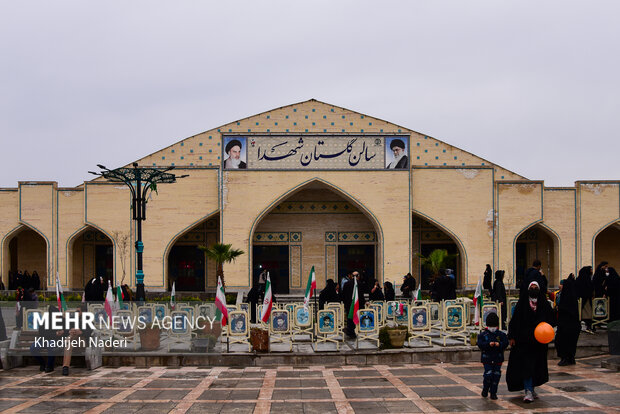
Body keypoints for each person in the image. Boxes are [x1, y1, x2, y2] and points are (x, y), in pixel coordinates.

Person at [506, 281, 555, 403]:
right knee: (526, 365)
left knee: (536, 366)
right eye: (531, 288)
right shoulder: (522, 304)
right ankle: (528, 390)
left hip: (539, 342)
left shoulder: (543, 304)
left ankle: (531, 388)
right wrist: (512, 337)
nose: (533, 290)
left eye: (536, 288)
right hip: (524, 341)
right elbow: (515, 321)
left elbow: (551, 319)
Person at [477, 312, 509, 400]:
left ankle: (493, 392)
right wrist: (488, 344)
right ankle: (485, 389)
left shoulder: (501, 335)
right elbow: (480, 344)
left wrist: (499, 344)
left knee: (496, 375)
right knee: (488, 374)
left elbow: (506, 343)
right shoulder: (483, 335)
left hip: (497, 358)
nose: (492, 328)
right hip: (487, 358)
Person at [59, 305, 93, 375]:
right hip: (73, 342)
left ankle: (64, 343)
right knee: (69, 344)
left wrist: (81, 332)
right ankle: (65, 367)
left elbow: (90, 333)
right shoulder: (73, 320)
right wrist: (70, 331)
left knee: (74, 335)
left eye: (78, 311)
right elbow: (66, 330)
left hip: (83, 342)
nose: (76, 313)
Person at [555, 273, 580, 366]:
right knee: (570, 343)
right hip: (572, 326)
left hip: (566, 326)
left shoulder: (567, 298)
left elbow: (566, 310)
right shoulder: (571, 297)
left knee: (563, 341)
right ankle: (570, 358)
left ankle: (565, 358)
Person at [30, 305, 62, 373]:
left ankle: (50, 366)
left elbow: (61, 334)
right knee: (33, 347)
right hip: (43, 340)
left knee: (51, 345)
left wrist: (59, 334)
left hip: (55, 342)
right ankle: (42, 363)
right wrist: (54, 334)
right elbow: (42, 334)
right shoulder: (45, 321)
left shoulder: (60, 321)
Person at [342, 271, 365, 338]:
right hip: (357, 305)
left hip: (349, 305)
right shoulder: (360, 284)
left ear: (351, 276)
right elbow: (361, 295)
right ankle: (357, 330)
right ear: (358, 276)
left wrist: (345, 303)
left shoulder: (347, 284)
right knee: (357, 318)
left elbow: (343, 295)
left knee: (350, 318)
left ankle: (350, 331)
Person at [575, 266, 594, 332]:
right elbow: (589, 288)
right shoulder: (587, 279)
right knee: (587, 313)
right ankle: (588, 326)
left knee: (581, 313)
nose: (592, 271)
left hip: (581, 299)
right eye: (591, 270)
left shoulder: (579, 279)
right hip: (586, 299)